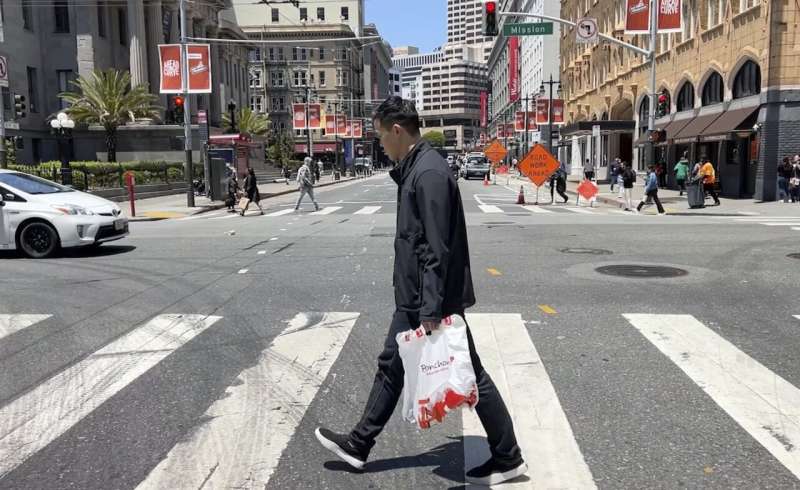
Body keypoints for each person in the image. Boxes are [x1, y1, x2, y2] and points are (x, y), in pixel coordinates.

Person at [314, 97, 527, 486]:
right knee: (393, 367)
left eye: (381, 136)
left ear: (397, 130)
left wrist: (429, 309)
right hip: (418, 295)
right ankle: (360, 444)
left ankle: (508, 456)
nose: (380, 144)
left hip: (428, 298)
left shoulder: (428, 173)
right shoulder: (415, 168)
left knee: (467, 373)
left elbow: (435, 247)